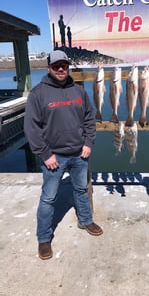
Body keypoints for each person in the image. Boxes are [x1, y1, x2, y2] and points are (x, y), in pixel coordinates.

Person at [24, 50, 103, 260]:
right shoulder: (38, 93)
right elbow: (31, 128)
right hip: (54, 157)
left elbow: (89, 118)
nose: (61, 69)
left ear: (68, 67)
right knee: (49, 198)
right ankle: (43, 238)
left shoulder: (78, 90)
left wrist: (88, 142)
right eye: (57, 66)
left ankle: (85, 220)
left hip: (79, 154)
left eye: (65, 66)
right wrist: (45, 154)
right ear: (49, 67)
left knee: (81, 189)